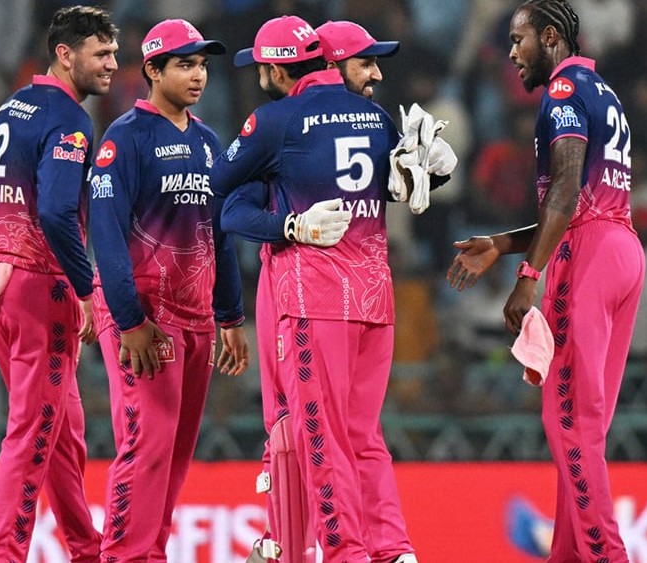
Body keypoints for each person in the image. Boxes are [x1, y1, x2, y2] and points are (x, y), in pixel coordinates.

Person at [212, 15, 418, 563]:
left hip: (314, 297)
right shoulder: (375, 117)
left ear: (276, 70)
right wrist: (431, 179)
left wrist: (287, 226)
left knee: (315, 434)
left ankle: (343, 550)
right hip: (375, 295)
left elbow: (217, 192)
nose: (373, 73)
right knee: (362, 434)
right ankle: (391, 549)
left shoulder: (275, 121)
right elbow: (402, 185)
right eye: (366, 61)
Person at [446, 1, 644, 561]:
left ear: (551, 37)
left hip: (584, 256)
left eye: (518, 40)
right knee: (587, 428)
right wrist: (503, 245)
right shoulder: (602, 92)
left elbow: (565, 188)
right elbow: (578, 202)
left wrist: (527, 274)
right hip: (620, 249)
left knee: (569, 425)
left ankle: (608, 556)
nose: (511, 54)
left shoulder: (561, 94)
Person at [88, 18, 249, 561]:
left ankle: (150, 551)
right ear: (152, 70)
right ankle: (123, 556)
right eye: (184, 64)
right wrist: (129, 321)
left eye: (202, 64)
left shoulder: (208, 142)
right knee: (147, 447)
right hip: (147, 319)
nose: (198, 74)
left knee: (176, 454)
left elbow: (220, 232)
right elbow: (104, 235)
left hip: (198, 318)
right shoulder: (124, 139)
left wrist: (230, 315)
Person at [0, 7, 118, 563]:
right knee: (34, 430)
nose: (111, 65)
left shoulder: (9, 109)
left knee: (64, 428)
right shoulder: (69, 118)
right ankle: (3, 555)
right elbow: (59, 213)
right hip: (41, 287)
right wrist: (84, 287)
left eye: (112, 53)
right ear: (65, 54)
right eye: (100, 54)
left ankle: (86, 549)